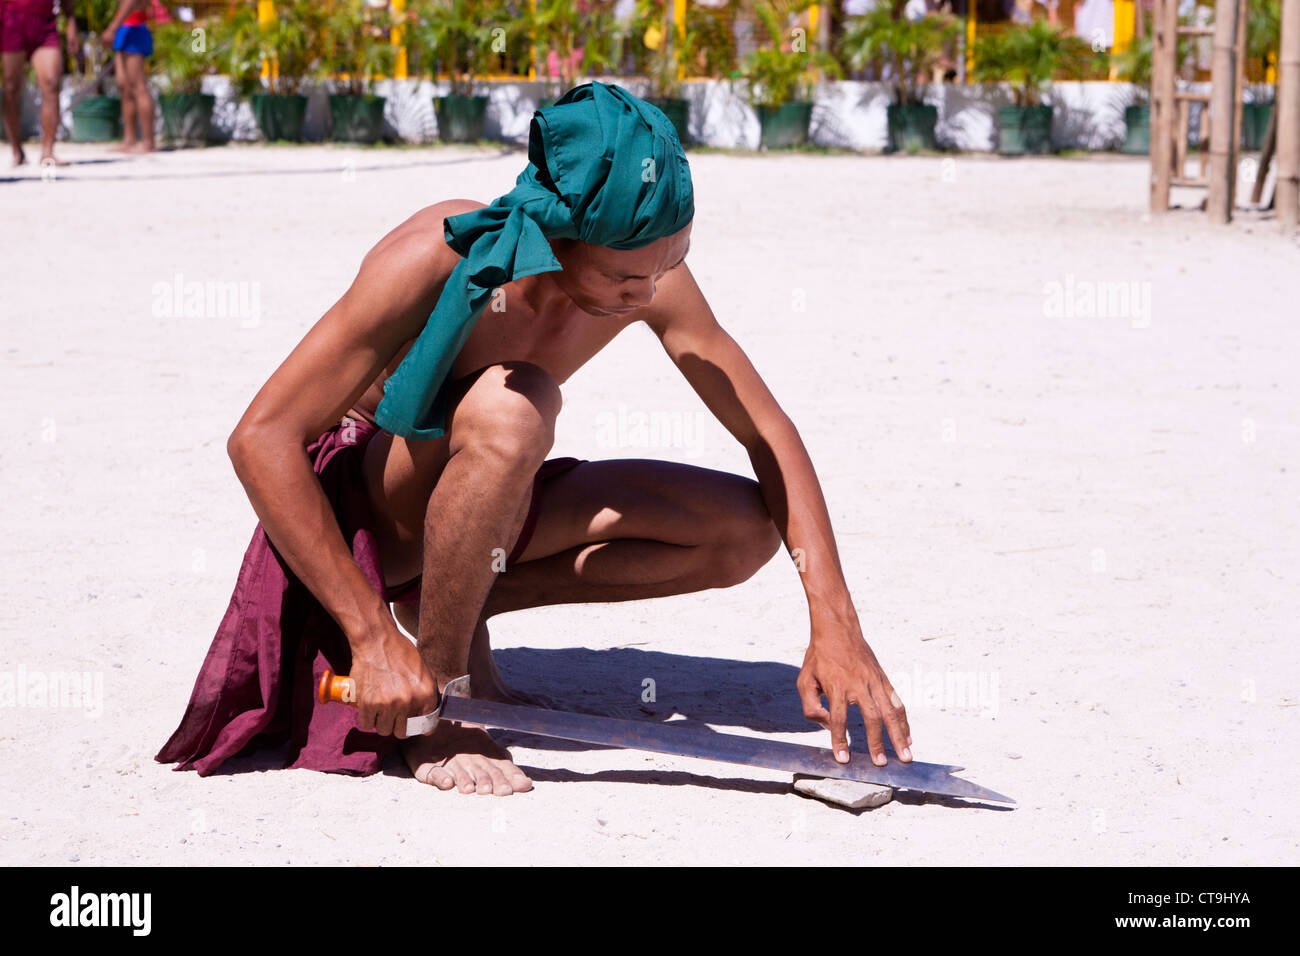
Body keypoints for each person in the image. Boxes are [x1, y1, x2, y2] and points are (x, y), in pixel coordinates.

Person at [156, 82, 913, 796]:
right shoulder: (442, 250)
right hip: (377, 513)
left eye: (668, 264)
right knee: (516, 406)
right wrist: (370, 633)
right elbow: (261, 438)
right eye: (625, 279)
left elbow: (767, 428)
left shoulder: (644, 260)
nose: (647, 296)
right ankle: (443, 702)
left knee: (740, 531)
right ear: (559, 235)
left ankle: (453, 605)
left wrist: (835, 621)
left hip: (486, 504)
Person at [1, 0, 77, 166]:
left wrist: (71, 22)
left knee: (52, 83)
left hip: (45, 22)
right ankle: (17, 150)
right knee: (11, 88)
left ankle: (48, 152)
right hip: (12, 19)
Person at [101, 0, 151, 152]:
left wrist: (111, 29)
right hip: (125, 27)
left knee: (139, 87)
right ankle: (129, 139)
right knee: (125, 87)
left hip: (134, 27)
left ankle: (148, 142)